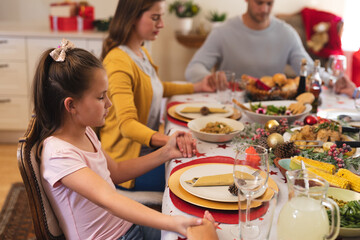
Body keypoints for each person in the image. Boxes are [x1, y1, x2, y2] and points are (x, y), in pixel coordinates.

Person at [32, 39, 217, 240]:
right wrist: (176, 224)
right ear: (71, 106)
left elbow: (116, 172)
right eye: (101, 97)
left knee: (205, 226)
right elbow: (108, 199)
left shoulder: (85, 132)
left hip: (128, 229)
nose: (109, 103)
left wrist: (166, 152)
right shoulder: (59, 155)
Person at [99, 0, 223, 190]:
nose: (162, 24)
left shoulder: (140, 51)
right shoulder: (118, 62)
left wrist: (198, 86)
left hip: (146, 152)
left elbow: (155, 87)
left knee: (204, 164)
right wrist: (168, 140)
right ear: (132, 18)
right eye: (155, 18)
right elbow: (127, 125)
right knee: (196, 176)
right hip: (128, 165)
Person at [185, 0, 315, 83]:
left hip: (271, 108)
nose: (264, 9)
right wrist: (210, 79)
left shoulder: (287, 33)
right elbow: (193, 69)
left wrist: (331, 80)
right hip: (231, 106)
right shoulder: (223, 31)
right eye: (259, 3)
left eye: (269, 4)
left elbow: (309, 70)